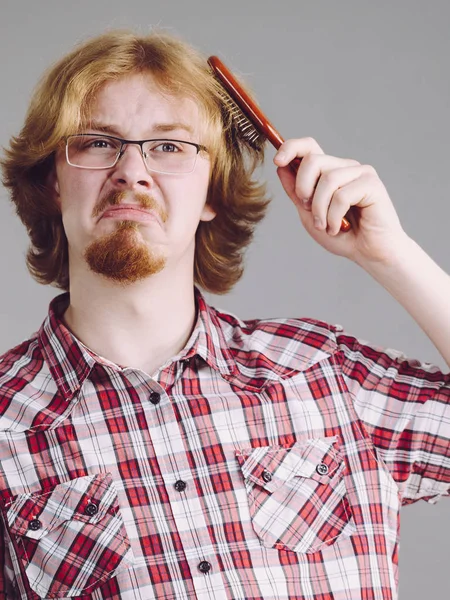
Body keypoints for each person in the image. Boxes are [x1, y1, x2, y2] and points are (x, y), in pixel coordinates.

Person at [0, 29, 448, 600]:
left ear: (213, 190)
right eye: (96, 142)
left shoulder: (325, 374)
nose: (132, 172)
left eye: (168, 146)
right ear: (52, 184)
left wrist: (392, 255)